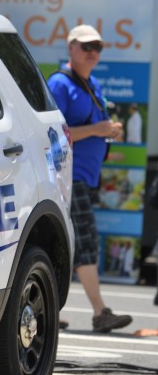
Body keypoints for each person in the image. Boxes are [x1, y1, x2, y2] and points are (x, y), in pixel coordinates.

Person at [47, 24, 133, 333]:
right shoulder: (60, 83)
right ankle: (100, 312)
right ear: (71, 48)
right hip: (68, 175)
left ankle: (48, 311)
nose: (93, 52)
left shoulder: (91, 83)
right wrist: (97, 130)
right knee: (84, 242)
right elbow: (55, 134)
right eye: (86, 47)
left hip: (84, 176)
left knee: (70, 244)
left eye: (97, 47)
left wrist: (108, 129)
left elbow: (93, 126)